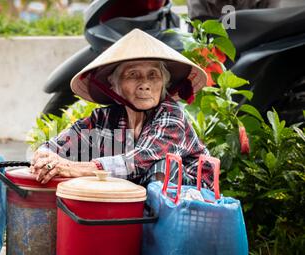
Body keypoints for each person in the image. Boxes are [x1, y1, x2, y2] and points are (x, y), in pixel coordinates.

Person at [30, 28, 214, 189]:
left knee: (162, 167)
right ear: (114, 86)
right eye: (133, 75)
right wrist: (45, 157)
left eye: (153, 75)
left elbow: (136, 162)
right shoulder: (104, 118)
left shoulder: (171, 117)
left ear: (163, 83)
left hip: (190, 207)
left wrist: (69, 168)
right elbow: (54, 146)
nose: (145, 84)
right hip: (138, 203)